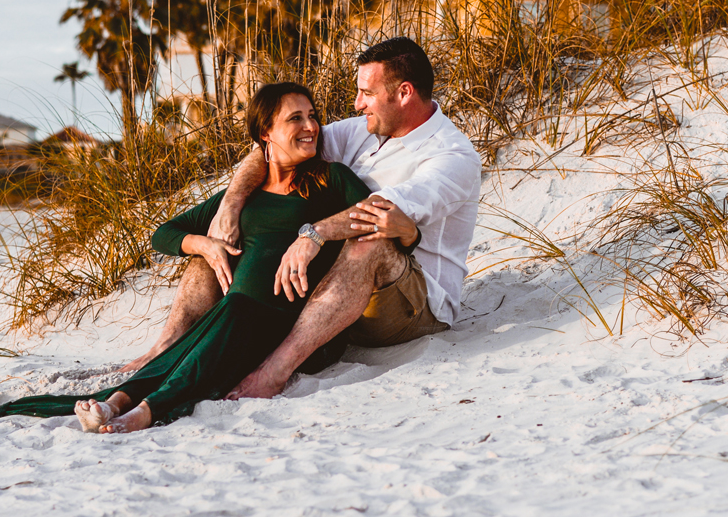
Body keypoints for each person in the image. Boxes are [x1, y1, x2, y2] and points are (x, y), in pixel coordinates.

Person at [120, 37, 483, 402]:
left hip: (412, 302)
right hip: (333, 296)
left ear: (404, 92)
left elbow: (379, 213)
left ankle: (276, 369)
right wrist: (230, 205)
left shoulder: (452, 156)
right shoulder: (365, 129)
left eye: (367, 94)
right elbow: (275, 147)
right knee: (218, 245)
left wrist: (314, 234)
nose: (358, 104)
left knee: (369, 240)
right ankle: (167, 347)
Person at [0, 82, 372, 433]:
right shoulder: (241, 198)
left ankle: (145, 411)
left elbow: (373, 212)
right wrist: (205, 244)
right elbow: (165, 234)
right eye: (296, 118)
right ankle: (115, 403)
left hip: (291, 328)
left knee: (230, 315)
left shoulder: (331, 179)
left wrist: (315, 234)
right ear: (265, 133)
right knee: (215, 326)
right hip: (236, 318)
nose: (311, 126)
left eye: (312, 116)